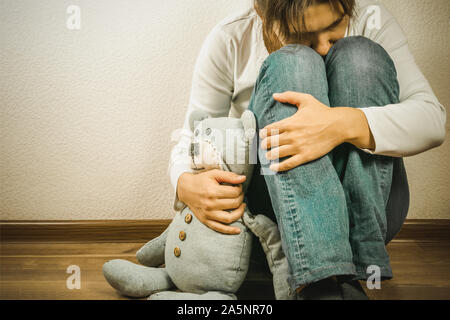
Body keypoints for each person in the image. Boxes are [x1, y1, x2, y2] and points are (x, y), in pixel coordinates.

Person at [169, 0, 446, 299]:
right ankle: (323, 282)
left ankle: (339, 271)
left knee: (360, 54)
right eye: (303, 35)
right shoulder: (231, 37)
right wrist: (184, 181)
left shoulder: (371, 20)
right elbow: (191, 136)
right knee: (294, 62)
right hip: (274, 211)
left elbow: (433, 120)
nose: (324, 47)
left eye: (334, 26)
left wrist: (339, 125)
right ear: (264, 16)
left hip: (371, 209)